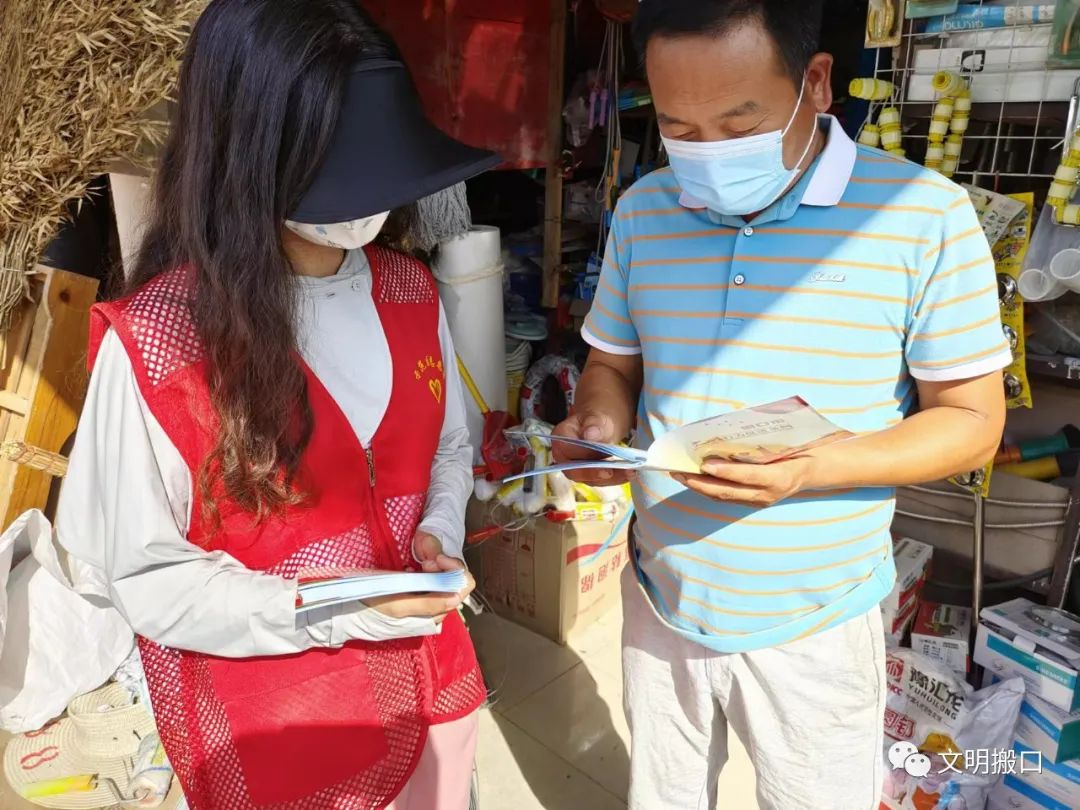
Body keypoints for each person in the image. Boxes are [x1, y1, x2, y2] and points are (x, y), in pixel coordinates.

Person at [554, 2, 1008, 808]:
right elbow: (612, 366)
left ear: (817, 83)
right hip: (662, 597)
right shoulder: (645, 211)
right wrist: (599, 423)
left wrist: (812, 469)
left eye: (740, 125)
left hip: (815, 623)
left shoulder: (922, 217)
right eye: (680, 129)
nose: (707, 154)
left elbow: (973, 424)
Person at [55, 1, 500, 808]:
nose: (365, 198)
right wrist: (339, 608)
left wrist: (438, 527)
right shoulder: (161, 345)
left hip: (433, 698)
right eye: (336, 164)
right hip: (287, 739)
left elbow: (447, 447)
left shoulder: (409, 292)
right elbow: (145, 577)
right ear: (248, 153)